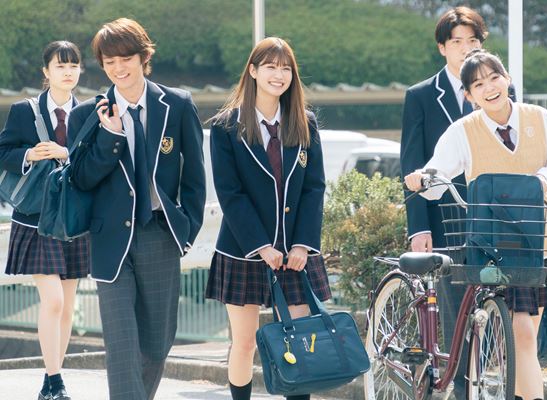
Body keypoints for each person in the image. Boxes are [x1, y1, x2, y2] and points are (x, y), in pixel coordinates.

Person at [405, 48, 547, 400]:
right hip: (492, 247)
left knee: (525, 342)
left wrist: (540, 180)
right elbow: (438, 175)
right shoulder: (462, 131)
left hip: (538, 243)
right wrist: (422, 177)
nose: (490, 87)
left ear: (507, 79)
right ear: (469, 95)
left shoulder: (539, 117)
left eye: (495, 77)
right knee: (521, 336)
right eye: (478, 84)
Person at [67, 18, 205, 400]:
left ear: (144, 57)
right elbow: (82, 179)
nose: (118, 68)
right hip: (109, 240)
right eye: (109, 62)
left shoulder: (177, 105)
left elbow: (195, 176)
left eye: (125, 58)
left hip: (160, 233)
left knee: (157, 344)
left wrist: (186, 230)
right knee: (122, 345)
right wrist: (110, 135)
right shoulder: (86, 114)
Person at [399, 7, 518, 397]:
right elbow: (412, 164)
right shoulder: (420, 96)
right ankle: (460, 389)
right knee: (455, 318)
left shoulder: (500, 91)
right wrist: (419, 227)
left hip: (496, 221)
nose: (466, 49)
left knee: (498, 315)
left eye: (473, 41)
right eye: (457, 42)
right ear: (442, 47)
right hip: (445, 219)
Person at [205, 37, 331, 400]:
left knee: (301, 338)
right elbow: (230, 193)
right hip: (243, 250)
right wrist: (261, 245)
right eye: (271, 67)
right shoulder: (226, 127)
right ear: (253, 71)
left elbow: (314, 188)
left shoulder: (304, 123)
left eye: (286, 68)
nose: (279, 75)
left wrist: (303, 245)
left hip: (295, 253)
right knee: (245, 343)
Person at [0, 41, 88, 400]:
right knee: (53, 301)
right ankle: (54, 381)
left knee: (66, 305)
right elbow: (3, 151)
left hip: (72, 220)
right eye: (60, 65)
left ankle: (54, 378)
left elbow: (96, 160)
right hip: (35, 219)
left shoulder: (87, 112)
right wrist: (29, 155)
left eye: (73, 65)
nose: (67, 72)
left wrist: (67, 152)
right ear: (46, 72)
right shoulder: (25, 111)